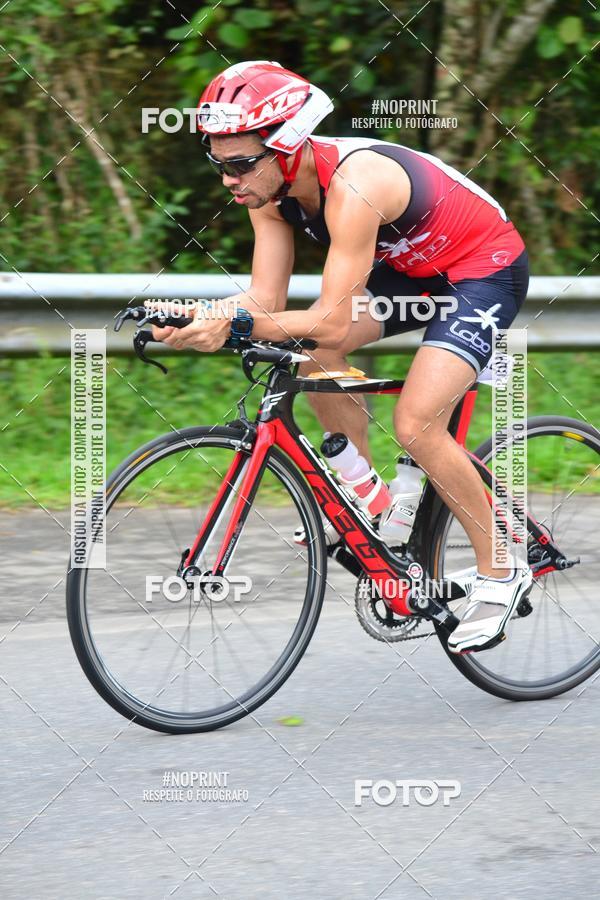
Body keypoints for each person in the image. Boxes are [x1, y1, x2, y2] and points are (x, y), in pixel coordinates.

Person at [150, 60, 533, 654]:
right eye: (218, 161)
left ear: (288, 146)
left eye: (241, 162)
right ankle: (374, 502)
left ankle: (502, 569)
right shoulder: (266, 191)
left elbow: (327, 314)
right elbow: (266, 299)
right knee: (310, 351)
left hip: (481, 270)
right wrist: (195, 313)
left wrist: (237, 323)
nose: (229, 179)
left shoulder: (356, 184)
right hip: (412, 275)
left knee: (416, 423)